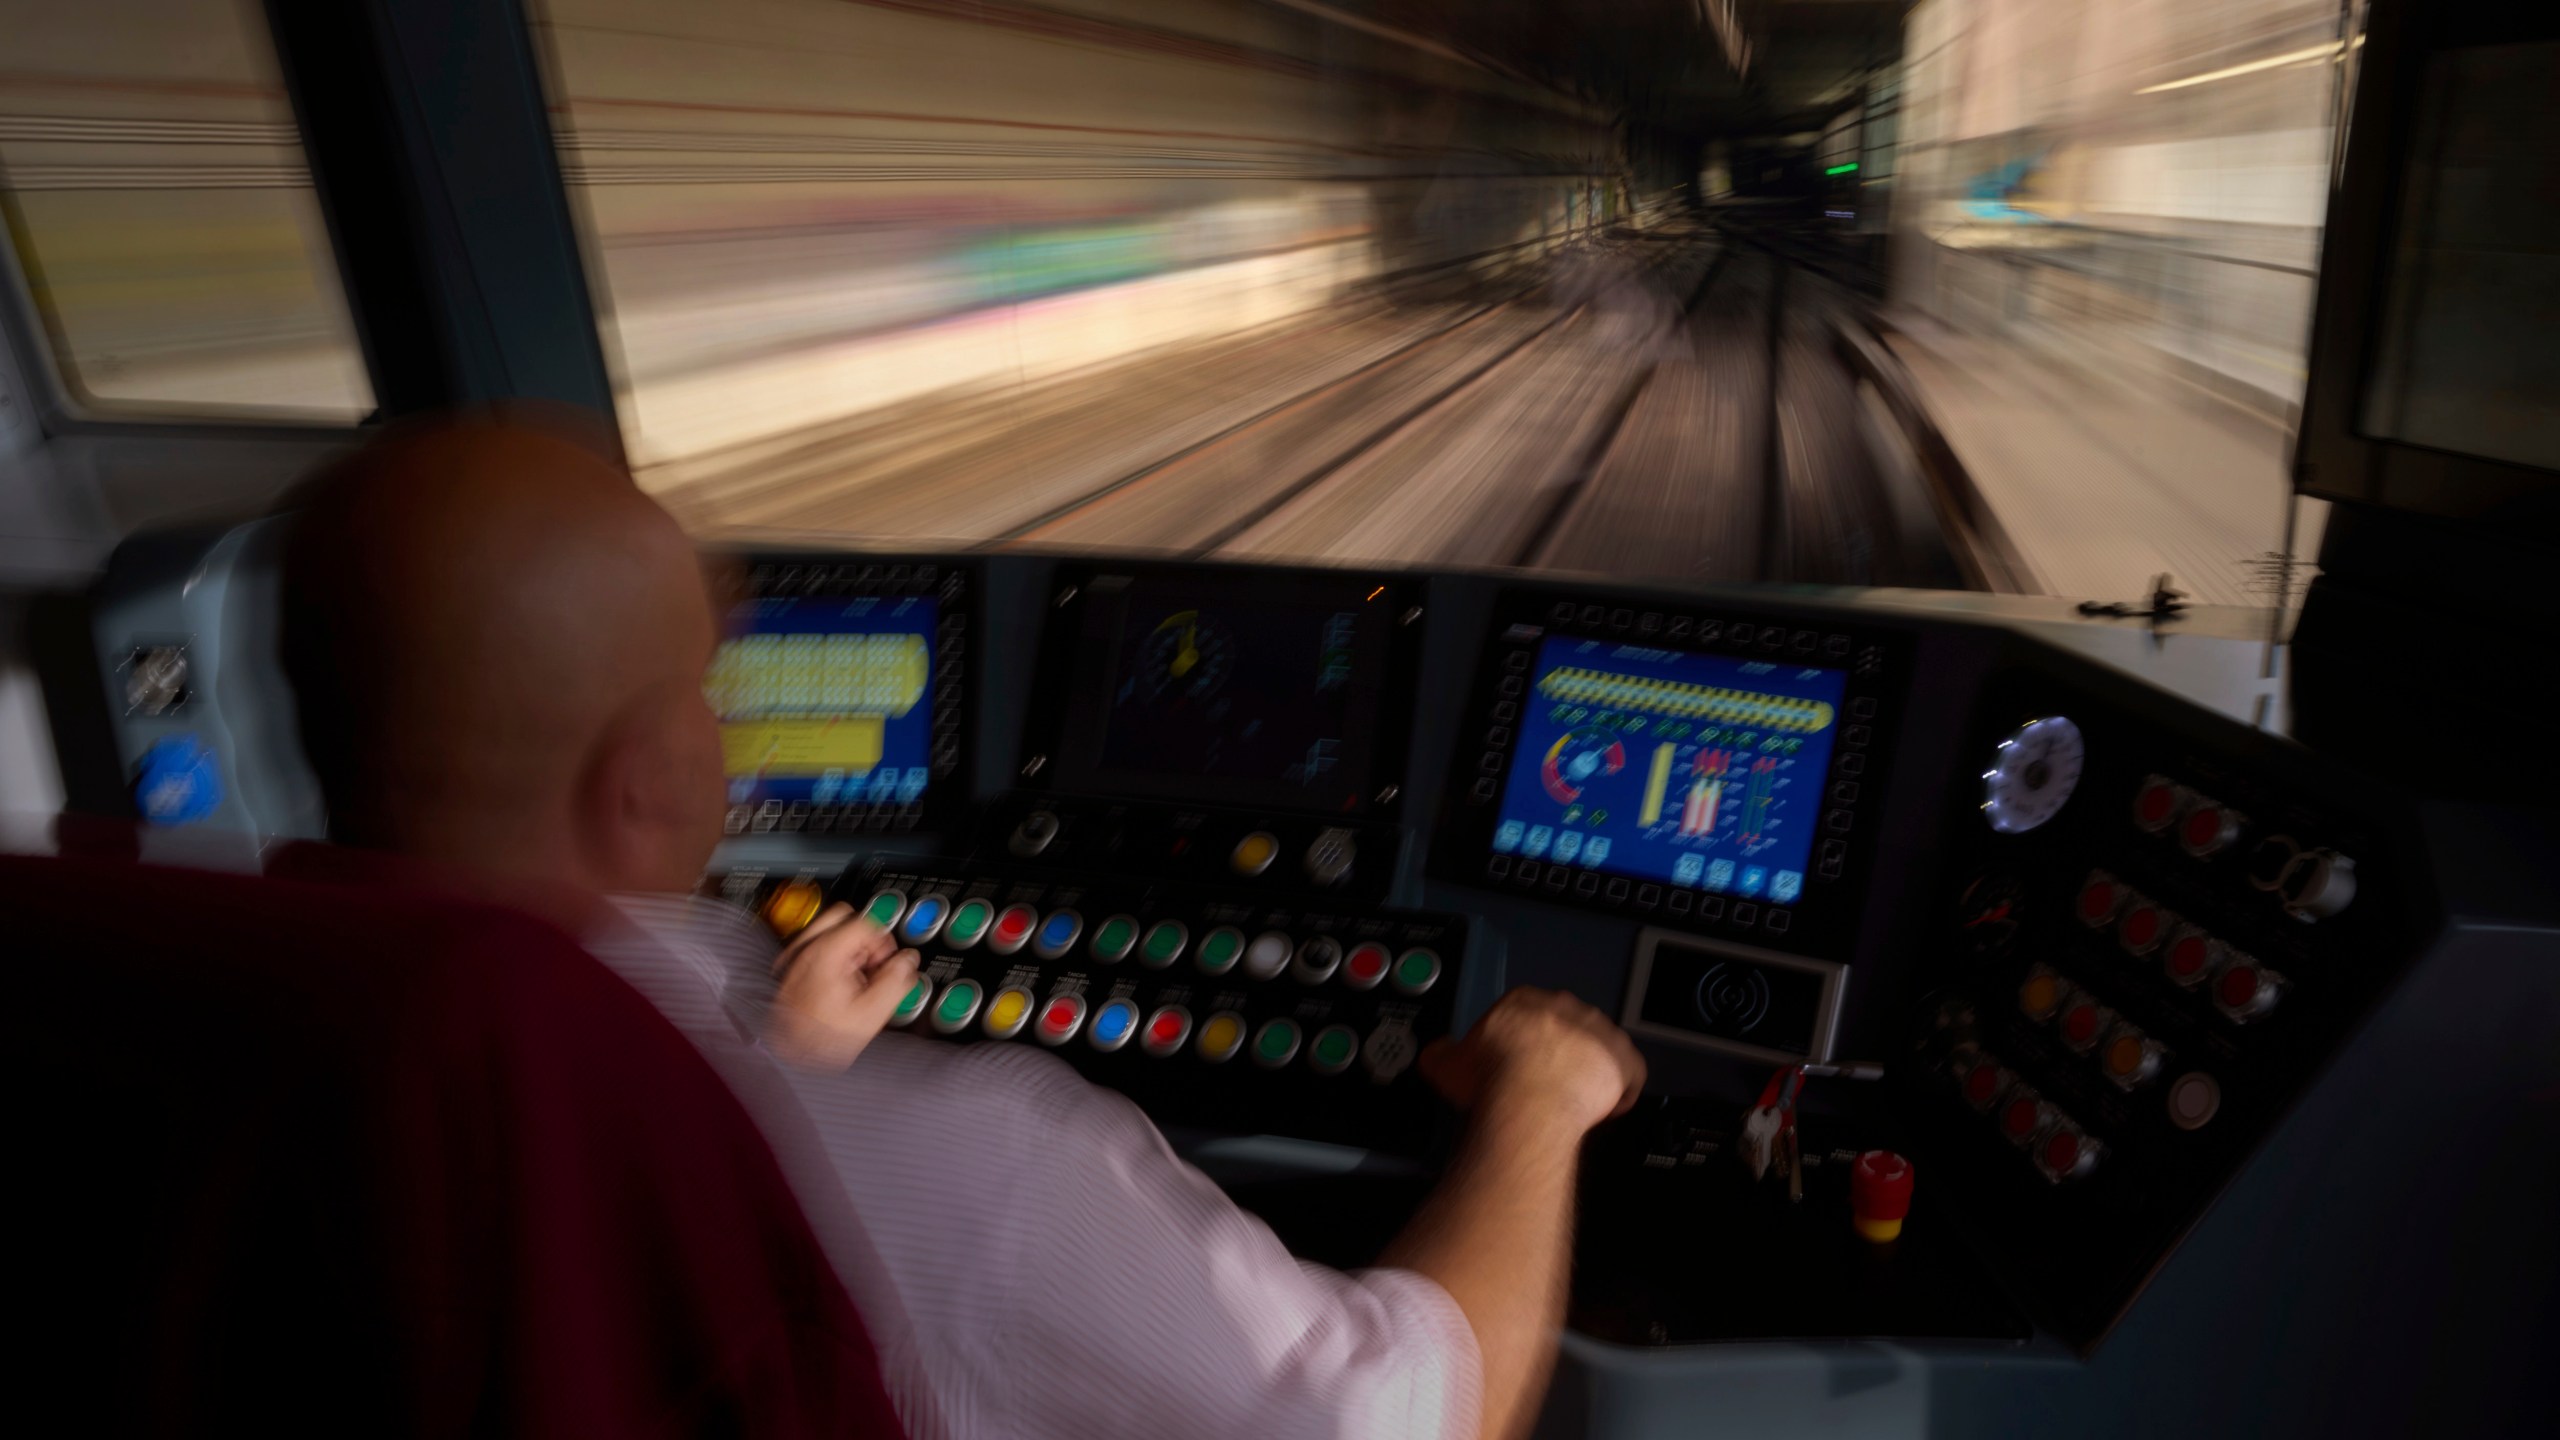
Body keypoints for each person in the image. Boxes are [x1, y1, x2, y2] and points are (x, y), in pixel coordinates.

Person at [278, 413, 1647, 1440]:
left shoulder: (232, 1036)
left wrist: (780, 1071)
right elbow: (1404, 1414)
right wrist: (1540, 1101)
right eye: (701, 686)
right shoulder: (987, 1157)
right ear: (643, 772)